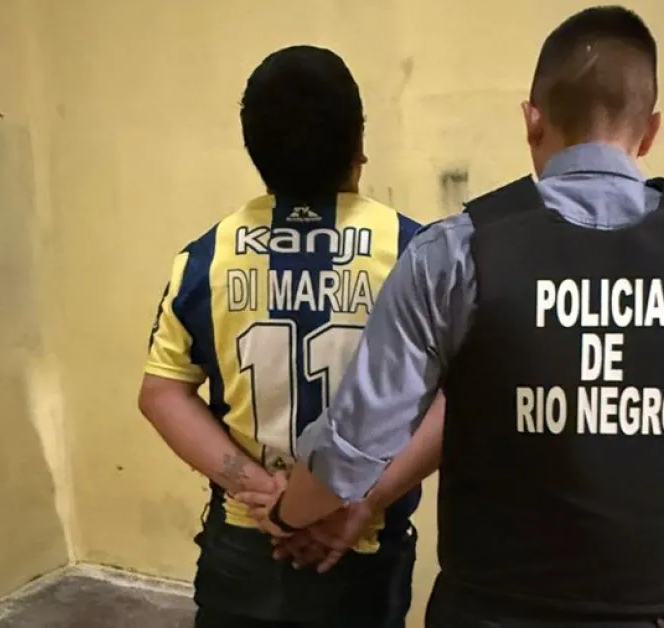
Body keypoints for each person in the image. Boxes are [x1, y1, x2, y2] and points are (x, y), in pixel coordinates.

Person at [254, 7, 664, 628]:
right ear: (650, 132)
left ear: (532, 120)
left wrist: (286, 515)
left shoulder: (454, 254)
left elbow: (352, 449)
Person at [137, 44, 441, 628]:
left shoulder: (204, 259)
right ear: (359, 145)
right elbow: (459, 399)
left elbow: (161, 394)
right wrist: (365, 501)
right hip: (361, 543)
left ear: (254, 151)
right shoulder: (419, 254)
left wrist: (263, 492)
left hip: (244, 541)